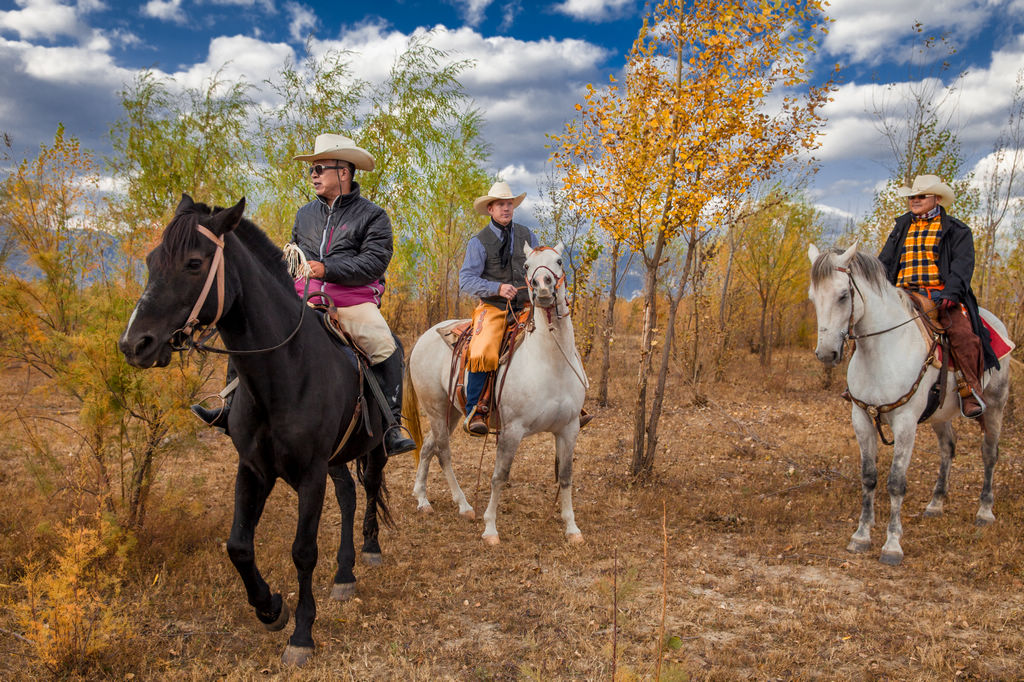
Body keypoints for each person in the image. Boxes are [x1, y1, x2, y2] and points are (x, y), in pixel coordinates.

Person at [192, 133, 416, 455]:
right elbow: (295, 257)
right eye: (311, 169)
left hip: (352, 302)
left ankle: (392, 426)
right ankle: (228, 407)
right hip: (304, 299)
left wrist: (327, 268)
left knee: (386, 347)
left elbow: (374, 261)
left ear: (344, 172)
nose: (313, 174)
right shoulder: (304, 214)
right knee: (253, 327)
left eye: (320, 167)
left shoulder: (373, 216)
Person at [457, 181, 593, 436]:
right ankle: (477, 408)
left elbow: (541, 265)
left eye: (509, 204)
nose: (506, 208)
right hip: (495, 307)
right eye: (500, 204)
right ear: (490, 209)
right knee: (483, 347)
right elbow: (466, 280)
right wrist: (497, 288)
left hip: (528, 306)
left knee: (561, 336)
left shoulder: (528, 235)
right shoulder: (478, 242)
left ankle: (572, 403)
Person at [877, 174, 999, 419]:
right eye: (913, 196)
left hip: (939, 295)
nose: (915, 200)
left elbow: (962, 266)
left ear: (937, 198)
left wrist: (952, 293)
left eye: (921, 196)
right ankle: (862, 387)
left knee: (962, 333)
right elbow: (885, 262)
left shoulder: (957, 229)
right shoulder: (901, 227)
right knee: (869, 324)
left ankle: (969, 390)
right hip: (901, 295)